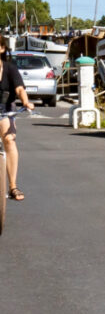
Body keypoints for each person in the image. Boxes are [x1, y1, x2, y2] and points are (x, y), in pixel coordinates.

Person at [0, 37, 34, 201]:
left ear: (2, 48)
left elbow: (19, 88)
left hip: (5, 108)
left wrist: (26, 101)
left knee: (9, 140)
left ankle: (13, 186)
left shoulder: (10, 69)